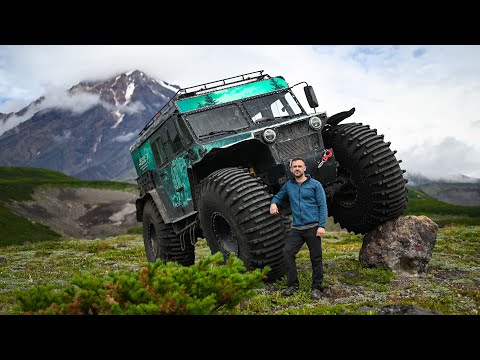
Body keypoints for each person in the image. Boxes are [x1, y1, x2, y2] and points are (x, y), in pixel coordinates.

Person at [270, 157, 328, 300]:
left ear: (304, 168)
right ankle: (293, 286)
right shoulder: (288, 185)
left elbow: (323, 205)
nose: (297, 168)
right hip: (297, 228)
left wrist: (321, 225)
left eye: (299, 166)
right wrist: (273, 203)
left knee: (316, 258)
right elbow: (278, 196)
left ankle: (317, 288)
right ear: (291, 170)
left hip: (313, 227)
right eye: (294, 166)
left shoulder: (315, 185)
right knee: (287, 253)